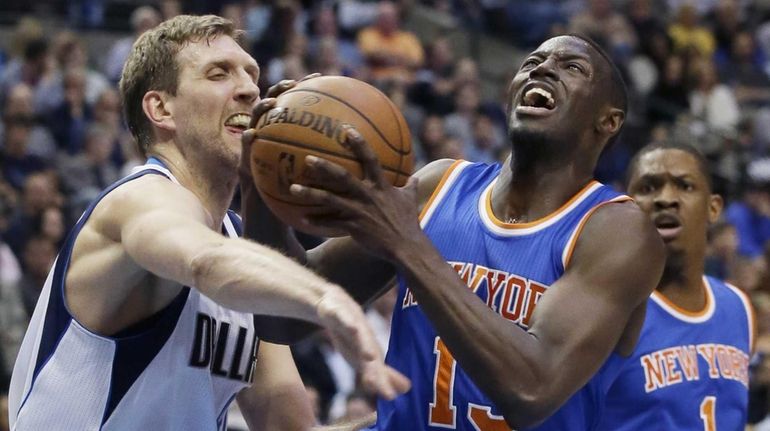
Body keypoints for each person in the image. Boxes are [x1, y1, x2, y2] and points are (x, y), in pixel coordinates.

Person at [243, 34, 665, 429]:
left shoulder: (617, 230)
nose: (543, 69)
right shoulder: (437, 187)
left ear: (608, 122)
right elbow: (281, 321)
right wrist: (261, 181)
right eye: (532, 62)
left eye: (572, 67)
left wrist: (409, 245)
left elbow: (531, 390)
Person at [8, 15, 408, 431]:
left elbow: (291, 429)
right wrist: (326, 298)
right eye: (219, 74)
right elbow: (202, 260)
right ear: (161, 108)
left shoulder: (240, 252)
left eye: (252, 74)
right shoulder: (138, 199)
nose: (251, 89)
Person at [596, 142, 754, 429]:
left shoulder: (738, 306)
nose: (666, 199)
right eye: (648, 187)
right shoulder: (603, 312)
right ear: (626, 207)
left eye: (685, 186)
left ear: (714, 207)